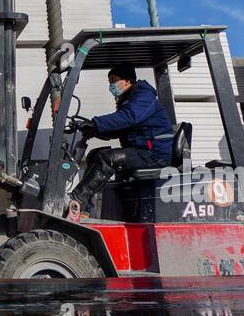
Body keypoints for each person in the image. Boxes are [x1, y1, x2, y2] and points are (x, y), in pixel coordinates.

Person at [67, 64, 175, 220]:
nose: (111, 85)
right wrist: (94, 130)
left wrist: (97, 123)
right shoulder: (129, 99)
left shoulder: (143, 96)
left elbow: (129, 117)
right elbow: (120, 128)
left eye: (114, 80)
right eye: (109, 81)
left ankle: (76, 201)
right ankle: (85, 210)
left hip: (154, 154)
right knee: (95, 154)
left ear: (127, 81)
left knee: (107, 158)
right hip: (143, 151)